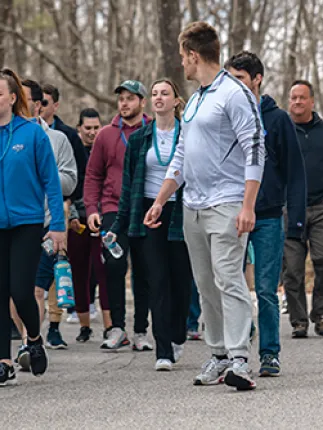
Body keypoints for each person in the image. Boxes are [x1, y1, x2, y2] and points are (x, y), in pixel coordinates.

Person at [144, 21, 265, 391]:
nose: (182, 64)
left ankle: (240, 360)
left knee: (229, 279)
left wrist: (248, 205)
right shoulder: (195, 99)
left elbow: (255, 147)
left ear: (194, 56)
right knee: (205, 284)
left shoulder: (235, 93)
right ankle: (219, 355)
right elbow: (180, 153)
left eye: (183, 57)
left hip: (228, 203)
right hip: (191, 207)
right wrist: (162, 199)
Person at [0, 68, 65, 386]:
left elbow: (51, 181)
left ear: (11, 97)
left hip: (26, 223)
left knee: (21, 290)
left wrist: (58, 225)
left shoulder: (33, 134)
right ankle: (4, 362)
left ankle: (33, 339)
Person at [226, 51, 308, 376]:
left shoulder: (277, 120)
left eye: (241, 79)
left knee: (265, 289)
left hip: (269, 216)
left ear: (257, 79)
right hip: (231, 213)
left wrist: (297, 220)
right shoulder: (227, 116)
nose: (235, 86)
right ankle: (236, 346)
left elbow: (295, 173)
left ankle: (270, 353)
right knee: (232, 286)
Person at [110, 79, 192, 371]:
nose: (158, 98)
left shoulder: (188, 133)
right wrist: (119, 225)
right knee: (157, 281)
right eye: (155, 94)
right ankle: (163, 349)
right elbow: (129, 184)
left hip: (182, 211)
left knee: (181, 282)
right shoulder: (140, 139)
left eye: (164, 94)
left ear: (176, 101)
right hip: (148, 213)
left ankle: (178, 334)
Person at [84, 79, 152, 352]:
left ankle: (141, 331)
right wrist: (91, 209)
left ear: (142, 102)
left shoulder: (153, 130)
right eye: (121, 98)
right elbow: (93, 175)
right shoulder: (105, 135)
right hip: (113, 209)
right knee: (113, 265)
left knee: (145, 270)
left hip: (147, 209)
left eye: (130, 98)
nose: (124, 103)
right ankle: (117, 329)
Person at [11, 78, 76, 356]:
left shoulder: (57, 140)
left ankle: (29, 345)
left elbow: (71, 180)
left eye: (26, 101)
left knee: (36, 291)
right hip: (12, 223)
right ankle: (31, 337)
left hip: (47, 223)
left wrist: (42, 178)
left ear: (38, 106)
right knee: (15, 294)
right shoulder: (4, 137)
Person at [283, 79, 323, 338]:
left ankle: (320, 312)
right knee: (292, 267)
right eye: (293, 98)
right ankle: (299, 320)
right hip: (291, 207)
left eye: (302, 98)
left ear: (311, 101)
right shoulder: (283, 130)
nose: (297, 102)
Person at [67, 108, 109, 340]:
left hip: (103, 216)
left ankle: (110, 326)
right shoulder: (74, 150)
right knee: (79, 270)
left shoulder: (104, 148)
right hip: (78, 218)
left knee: (103, 269)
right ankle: (84, 325)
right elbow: (69, 186)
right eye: (88, 128)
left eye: (96, 128)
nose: (93, 132)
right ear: (79, 128)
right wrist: (72, 214)